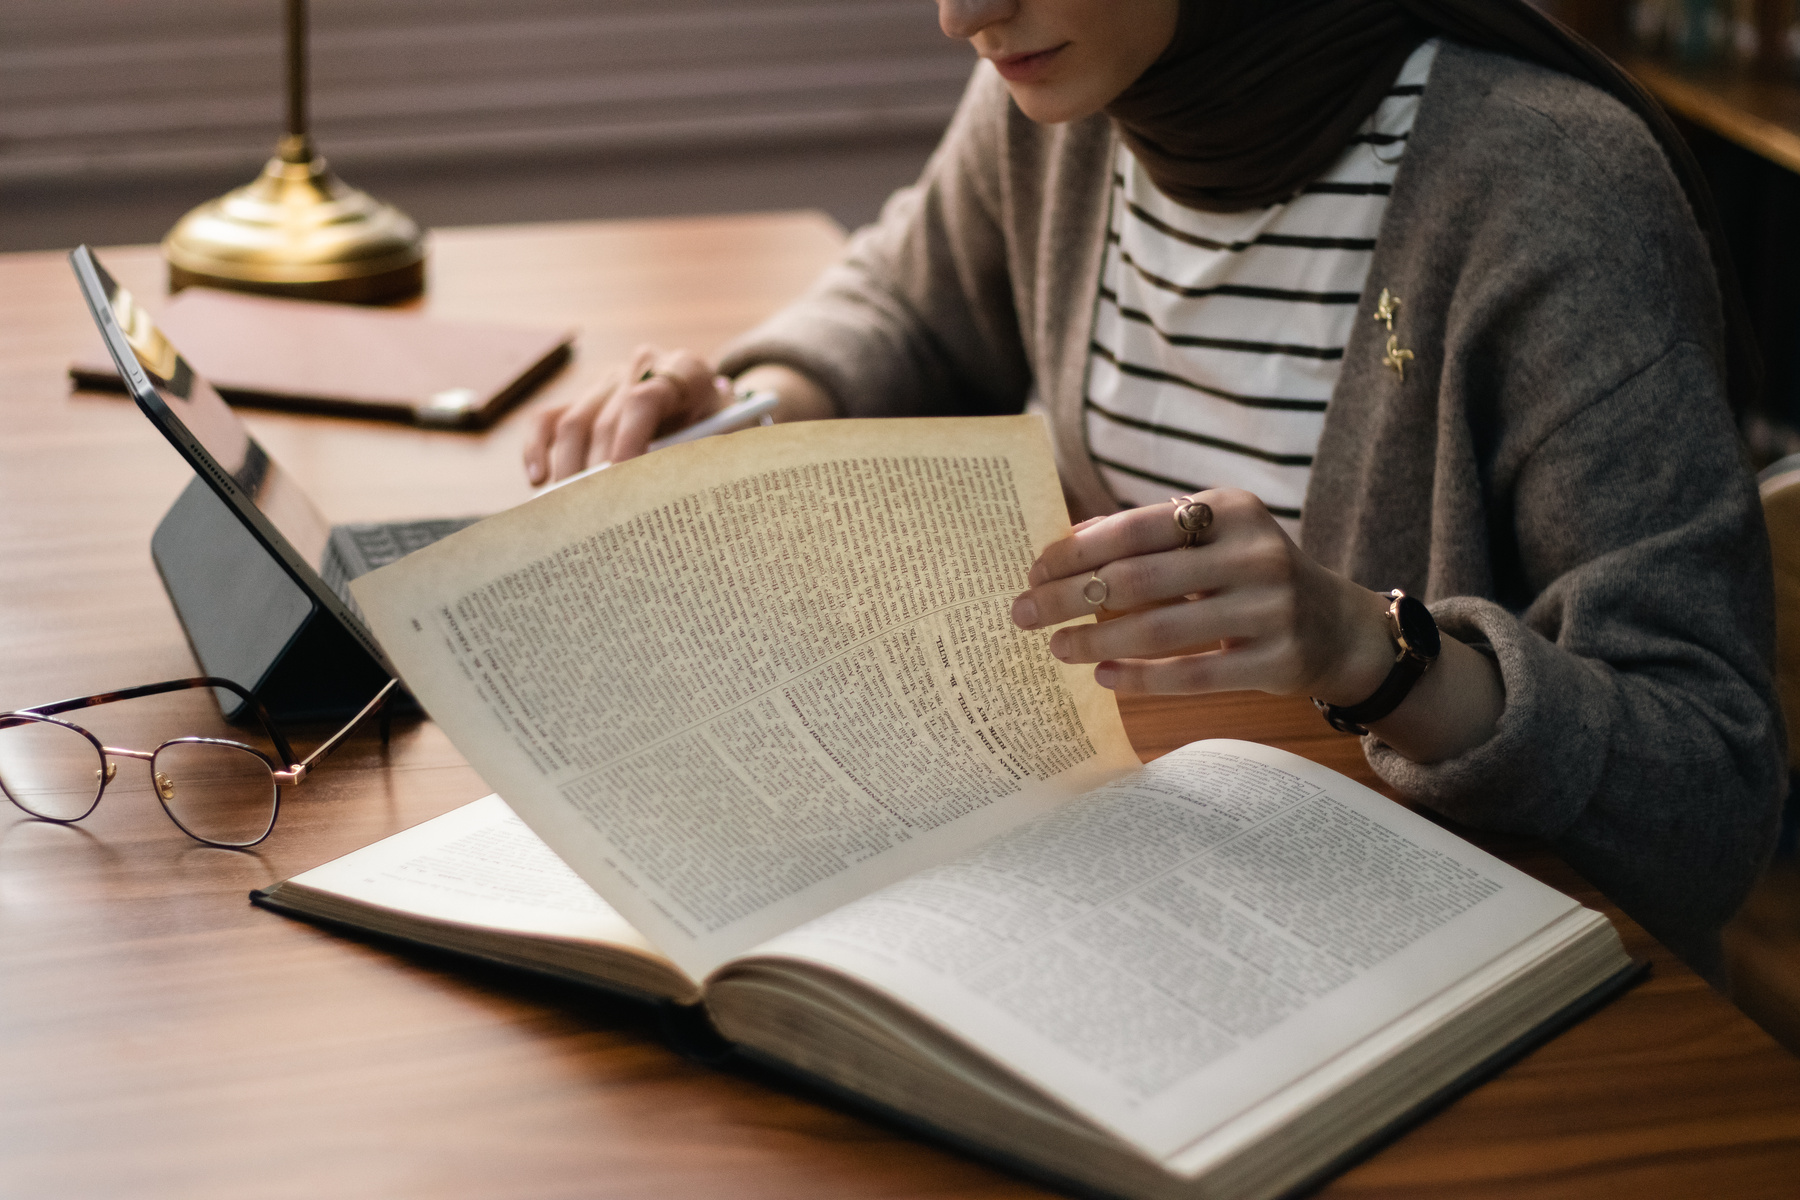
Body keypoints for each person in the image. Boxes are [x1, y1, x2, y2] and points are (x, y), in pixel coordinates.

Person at [520, 0, 1783, 980]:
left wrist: (1370, 649)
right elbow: (906, 300)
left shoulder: (1552, 188)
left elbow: (1710, 795)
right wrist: (748, 403)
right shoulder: (1064, 102)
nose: (960, 16)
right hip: (1127, 888)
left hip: (1451, 975)